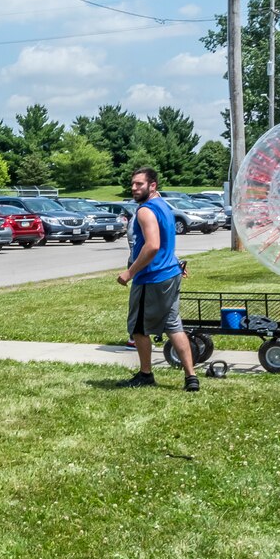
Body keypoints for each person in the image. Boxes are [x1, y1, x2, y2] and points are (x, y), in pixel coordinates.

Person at [115, 168, 200, 392]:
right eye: (133, 184)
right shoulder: (164, 206)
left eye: (139, 184)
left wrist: (129, 273)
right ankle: (191, 377)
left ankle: (145, 374)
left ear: (152, 186)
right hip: (170, 273)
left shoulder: (145, 211)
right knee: (173, 324)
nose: (134, 188)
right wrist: (176, 262)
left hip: (151, 278)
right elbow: (166, 243)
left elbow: (152, 246)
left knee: (139, 328)